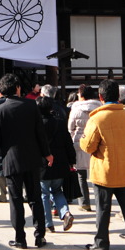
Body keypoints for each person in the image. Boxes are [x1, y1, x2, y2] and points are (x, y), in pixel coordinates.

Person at [80, 79, 125, 250]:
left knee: (103, 209)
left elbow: (87, 146)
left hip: (104, 171)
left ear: (100, 97)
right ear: (118, 96)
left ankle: (101, 242)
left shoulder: (97, 119)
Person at [0, 72, 52, 249]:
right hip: (32, 158)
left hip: (11, 160)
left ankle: (20, 238)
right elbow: (40, 133)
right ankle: (40, 236)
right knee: (35, 198)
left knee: (15, 200)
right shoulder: (32, 106)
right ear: (17, 88)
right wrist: (47, 154)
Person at [38, 95, 77, 233]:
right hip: (60, 162)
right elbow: (68, 143)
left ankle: (48, 223)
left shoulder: (36, 125)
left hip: (42, 164)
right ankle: (65, 213)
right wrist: (72, 160)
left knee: (43, 193)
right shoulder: (60, 123)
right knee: (57, 190)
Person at [67, 84, 99, 211]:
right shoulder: (99, 108)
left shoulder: (75, 109)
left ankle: (84, 202)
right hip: (97, 142)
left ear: (81, 95)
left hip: (80, 142)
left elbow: (70, 127)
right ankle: (99, 200)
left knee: (81, 174)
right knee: (97, 174)